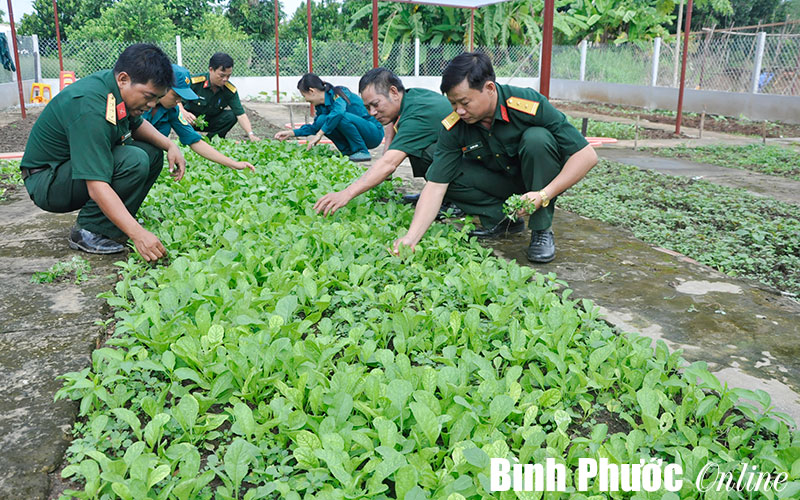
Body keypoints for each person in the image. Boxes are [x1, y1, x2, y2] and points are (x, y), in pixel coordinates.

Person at [392, 52, 598, 263]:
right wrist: (411, 237)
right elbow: (436, 185)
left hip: (538, 180)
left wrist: (542, 195)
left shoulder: (527, 104)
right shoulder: (454, 126)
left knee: (537, 139)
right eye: (453, 104)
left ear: (489, 88)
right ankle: (503, 219)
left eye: (465, 102)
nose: (459, 111)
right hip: (499, 181)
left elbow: (586, 156)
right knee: (437, 167)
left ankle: (541, 230)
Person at [20, 43, 185, 262]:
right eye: (148, 96)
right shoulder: (90, 106)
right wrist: (138, 235)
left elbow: (135, 124)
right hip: (47, 181)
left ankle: (112, 224)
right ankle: (88, 231)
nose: (152, 104)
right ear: (124, 79)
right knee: (133, 160)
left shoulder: (116, 90)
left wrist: (170, 145)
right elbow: (96, 185)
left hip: (67, 170)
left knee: (153, 153)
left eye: (157, 98)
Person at [313, 68, 459, 217]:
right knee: (415, 148)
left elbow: (389, 164)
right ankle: (444, 196)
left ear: (394, 92)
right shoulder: (410, 97)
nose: (372, 112)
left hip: (473, 165)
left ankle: (457, 201)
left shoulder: (417, 115)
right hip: (462, 155)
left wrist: (346, 193)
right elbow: (393, 123)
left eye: (375, 104)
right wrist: (387, 150)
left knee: (424, 151)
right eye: (368, 107)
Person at [144, 64, 256, 173]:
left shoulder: (172, 110)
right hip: (134, 154)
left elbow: (195, 141)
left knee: (155, 153)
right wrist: (170, 145)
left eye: (181, 97)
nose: (179, 101)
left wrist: (234, 164)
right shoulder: (140, 105)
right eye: (175, 95)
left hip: (150, 157)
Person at [274, 73, 383, 162]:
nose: (306, 100)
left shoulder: (339, 92)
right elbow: (316, 126)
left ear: (312, 91)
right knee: (322, 120)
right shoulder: (321, 107)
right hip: (360, 134)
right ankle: (347, 151)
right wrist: (291, 133)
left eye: (304, 96)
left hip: (373, 133)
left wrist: (320, 135)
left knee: (339, 117)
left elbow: (338, 113)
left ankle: (362, 151)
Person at [179, 52, 260, 141]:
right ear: (211, 70)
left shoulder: (230, 90)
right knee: (176, 113)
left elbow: (240, 114)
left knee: (232, 115)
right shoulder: (194, 82)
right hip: (190, 121)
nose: (225, 79)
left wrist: (251, 134)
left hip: (210, 122)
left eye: (228, 76)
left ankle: (211, 140)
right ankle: (187, 138)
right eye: (221, 75)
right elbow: (175, 99)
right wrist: (183, 111)